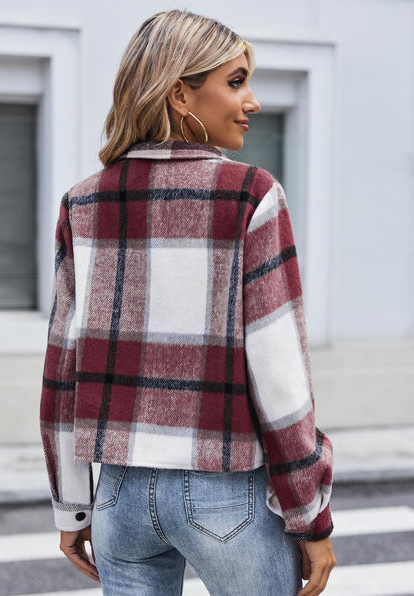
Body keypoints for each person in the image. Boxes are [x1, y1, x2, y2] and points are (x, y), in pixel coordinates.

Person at [40, 9, 336, 596]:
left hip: (119, 496)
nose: (252, 101)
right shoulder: (251, 196)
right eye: (235, 81)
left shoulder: (84, 203)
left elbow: (62, 370)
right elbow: (280, 377)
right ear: (180, 94)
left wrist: (72, 505)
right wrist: (310, 516)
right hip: (227, 496)